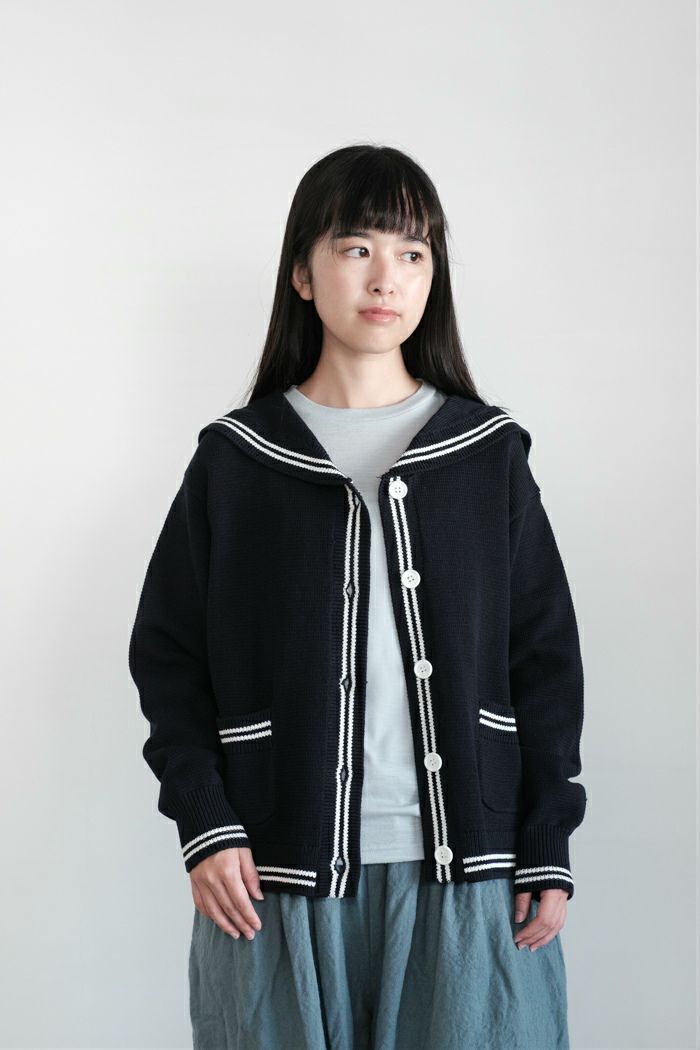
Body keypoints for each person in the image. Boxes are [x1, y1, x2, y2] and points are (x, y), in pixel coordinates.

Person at [128, 143, 586, 1050]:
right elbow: (169, 656)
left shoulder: (487, 454)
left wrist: (546, 834)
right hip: (273, 873)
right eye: (357, 248)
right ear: (302, 273)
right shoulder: (237, 460)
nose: (387, 277)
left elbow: (543, 659)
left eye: (413, 253)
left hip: (470, 872)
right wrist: (205, 820)